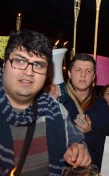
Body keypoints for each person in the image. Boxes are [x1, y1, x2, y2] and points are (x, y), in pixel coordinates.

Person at [0, 30, 90, 175]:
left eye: (39, 65)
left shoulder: (57, 111)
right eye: (20, 60)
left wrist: (78, 149)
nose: (29, 72)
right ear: (4, 64)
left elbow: (77, 141)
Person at [51, 54, 109, 164]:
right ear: (69, 73)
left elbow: (107, 144)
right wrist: (51, 102)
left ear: (93, 77)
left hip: (92, 166)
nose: (83, 75)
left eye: (88, 71)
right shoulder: (59, 101)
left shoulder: (101, 105)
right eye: (78, 70)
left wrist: (90, 132)